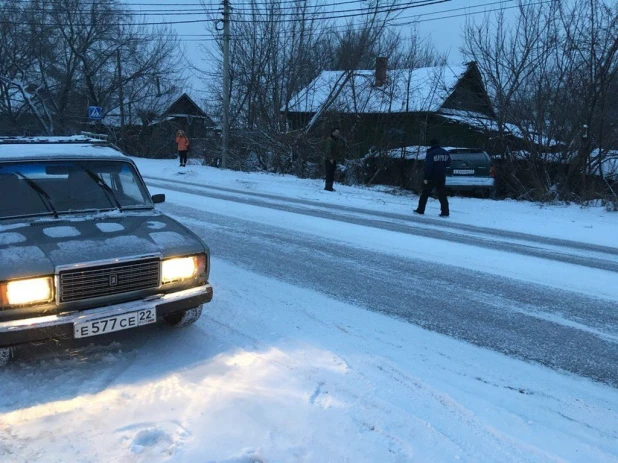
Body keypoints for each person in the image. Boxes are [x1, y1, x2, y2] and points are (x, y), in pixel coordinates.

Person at [414, 138, 451, 217]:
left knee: (425, 193)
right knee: (442, 194)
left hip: (432, 176)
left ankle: (420, 210)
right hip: (441, 175)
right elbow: (448, 163)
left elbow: (428, 166)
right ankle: (445, 212)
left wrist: (426, 177)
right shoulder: (445, 152)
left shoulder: (431, 153)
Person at [323, 127, 346, 191]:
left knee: (332, 173)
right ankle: (328, 187)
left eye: (338, 132)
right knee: (329, 173)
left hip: (334, 159)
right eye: (336, 132)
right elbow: (328, 150)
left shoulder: (337, 140)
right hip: (329, 159)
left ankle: (330, 187)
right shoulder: (329, 140)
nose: (337, 134)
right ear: (332, 132)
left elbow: (340, 147)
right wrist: (330, 158)